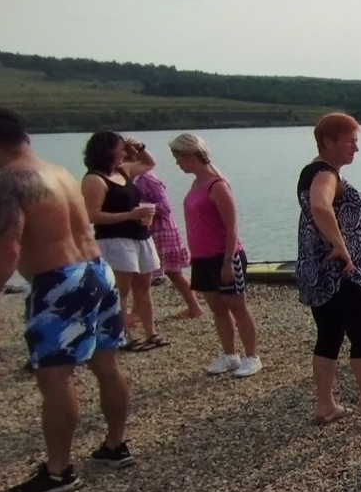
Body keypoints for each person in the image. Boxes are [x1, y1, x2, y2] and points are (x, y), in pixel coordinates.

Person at [0, 107, 136, 492]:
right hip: (97, 271)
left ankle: (58, 471)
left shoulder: (5, 182)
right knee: (106, 364)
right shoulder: (59, 173)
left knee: (56, 378)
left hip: (59, 283)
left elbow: (7, 246)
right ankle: (115, 445)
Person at [297, 112, 361, 426]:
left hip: (319, 272)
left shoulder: (312, 171)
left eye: (357, 141)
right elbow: (319, 205)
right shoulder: (325, 174)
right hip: (341, 271)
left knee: (328, 335)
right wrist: (340, 246)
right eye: (350, 141)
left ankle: (325, 406)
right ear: (329, 142)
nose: (356, 148)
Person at [169, 132, 261, 378]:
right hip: (202, 257)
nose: (177, 164)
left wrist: (229, 261)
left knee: (237, 307)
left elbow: (231, 228)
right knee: (217, 308)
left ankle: (252, 356)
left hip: (224, 256)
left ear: (190, 156)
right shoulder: (196, 183)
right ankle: (230, 354)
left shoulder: (217, 185)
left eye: (178, 158)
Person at [81, 131, 165, 352]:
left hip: (140, 236)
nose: (124, 151)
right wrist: (130, 215)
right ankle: (125, 335)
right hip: (115, 239)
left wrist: (139, 147)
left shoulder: (123, 171)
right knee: (121, 290)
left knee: (143, 287)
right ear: (108, 150)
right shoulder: (94, 179)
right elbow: (92, 215)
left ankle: (151, 332)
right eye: (121, 147)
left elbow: (149, 163)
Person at [132, 147, 200, 320]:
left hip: (161, 230)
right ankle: (195, 307)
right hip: (150, 229)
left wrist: (139, 206)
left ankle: (137, 312)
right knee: (171, 272)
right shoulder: (132, 179)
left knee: (147, 272)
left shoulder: (148, 179)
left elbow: (165, 207)